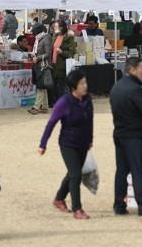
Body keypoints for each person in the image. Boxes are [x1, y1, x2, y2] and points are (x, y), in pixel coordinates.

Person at [109, 57, 142, 217]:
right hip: (134, 135)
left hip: (119, 133)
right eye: (140, 68)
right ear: (132, 69)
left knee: (121, 171)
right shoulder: (134, 89)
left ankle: (119, 204)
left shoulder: (116, 87)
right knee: (139, 171)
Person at [38, 71, 93, 219]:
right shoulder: (64, 103)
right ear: (73, 87)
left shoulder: (87, 99)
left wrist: (90, 139)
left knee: (73, 173)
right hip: (68, 143)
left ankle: (59, 198)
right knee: (76, 174)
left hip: (83, 143)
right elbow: (51, 124)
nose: (85, 86)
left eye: (85, 82)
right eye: (82, 83)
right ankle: (77, 209)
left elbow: (89, 121)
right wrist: (43, 144)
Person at [28, 23, 52, 115]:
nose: (33, 33)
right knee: (43, 86)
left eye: (34, 31)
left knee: (41, 87)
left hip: (44, 66)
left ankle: (36, 106)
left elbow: (48, 53)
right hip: (39, 65)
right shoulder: (39, 39)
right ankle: (45, 106)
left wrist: (37, 58)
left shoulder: (46, 38)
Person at [51, 20, 76, 102]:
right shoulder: (55, 36)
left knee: (61, 86)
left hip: (62, 66)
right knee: (54, 86)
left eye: (56, 26)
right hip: (53, 64)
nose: (54, 28)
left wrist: (62, 52)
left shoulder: (69, 38)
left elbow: (71, 53)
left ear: (61, 27)